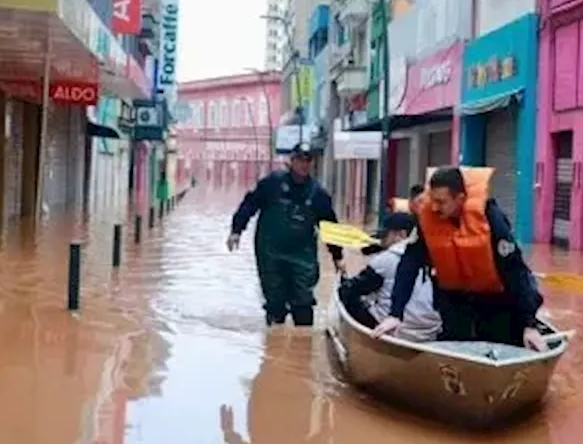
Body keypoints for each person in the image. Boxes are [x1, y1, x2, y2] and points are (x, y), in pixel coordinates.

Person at [373, 166, 549, 351]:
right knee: (457, 345)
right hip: (455, 301)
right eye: (432, 200)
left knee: (500, 344)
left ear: (460, 199)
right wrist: (395, 314)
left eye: (441, 202)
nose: (434, 207)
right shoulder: (429, 221)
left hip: (497, 300)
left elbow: (515, 271)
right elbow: (409, 265)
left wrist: (529, 324)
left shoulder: (491, 220)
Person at [227, 143, 345, 326]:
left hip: (303, 257)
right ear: (292, 161)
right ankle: (275, 343)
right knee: (275, 304)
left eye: (307, 160)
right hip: (271, 254)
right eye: (299, 160)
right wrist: (236, 230)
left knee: (304, 304)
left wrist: (337, 257)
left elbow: (329, 226)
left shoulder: (318, 194)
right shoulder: (272, 183)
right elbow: (250, 204)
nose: (303, 164)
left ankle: (302, 346)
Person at [337, 212, 442, 342]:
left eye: (386, 234)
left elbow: (354, 288)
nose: (382, 238)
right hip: (431, 329)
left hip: (396, 328)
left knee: (347, 293)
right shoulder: (435, 256)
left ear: (401, 235)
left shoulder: (386, 259)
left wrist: (344, 283)